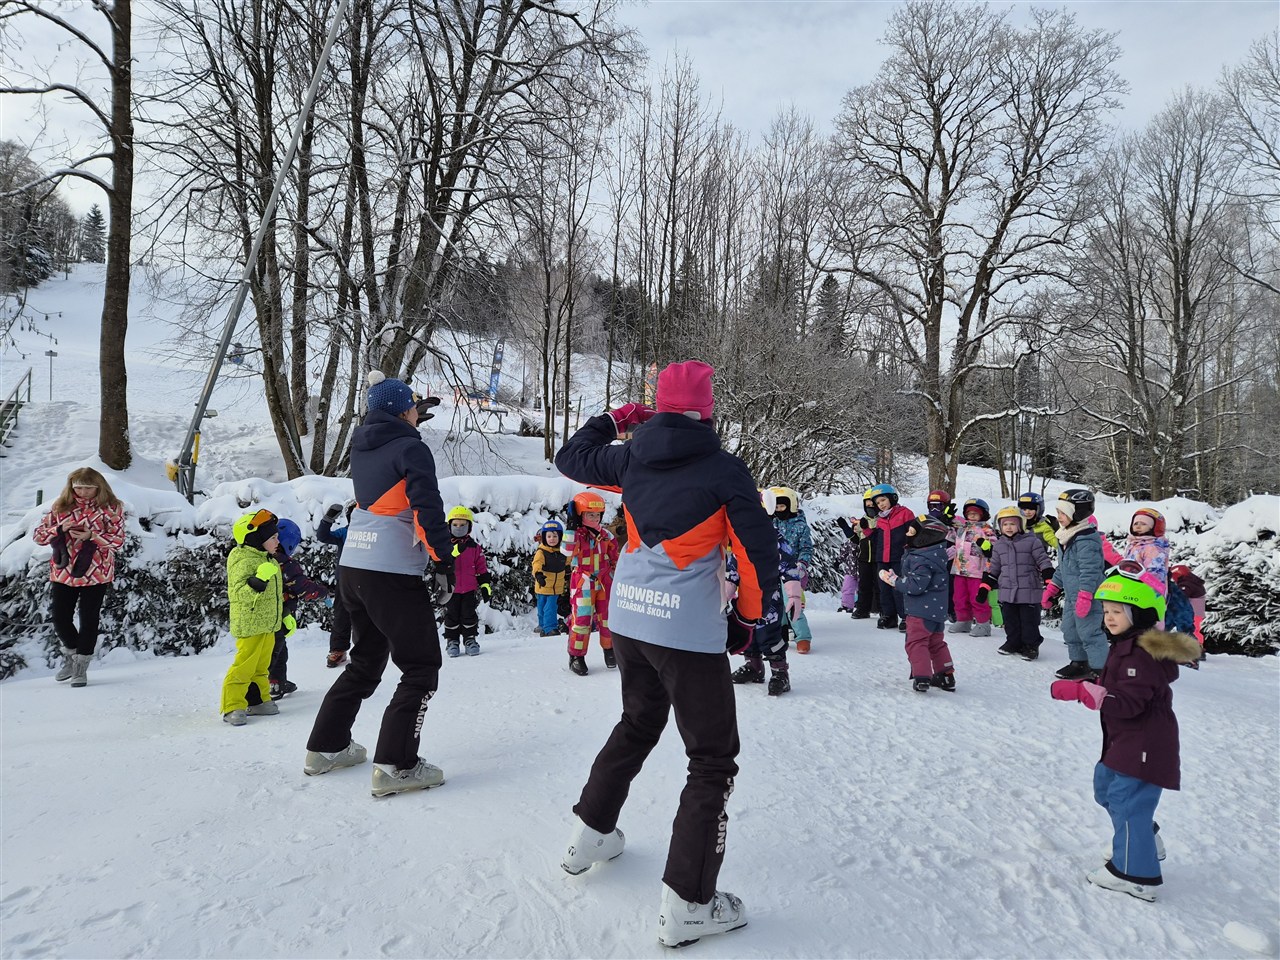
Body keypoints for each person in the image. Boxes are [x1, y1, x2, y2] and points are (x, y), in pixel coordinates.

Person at [554, 359, 778, 948]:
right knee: (711, 759)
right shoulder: (724, 469)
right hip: (687, 632)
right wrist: (747, 618)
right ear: (708, 410)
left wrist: (615, 419)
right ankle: (689, 904)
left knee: (637, 723)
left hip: (629, 617)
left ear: (656, 405)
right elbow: (756, 553)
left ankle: (589, 836)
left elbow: (570, 457)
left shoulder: (630, 457)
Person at [304, 371, 455, 798]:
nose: (417, 413)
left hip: (354, 565)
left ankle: (326, 747)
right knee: (421, 667)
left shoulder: (362, 444)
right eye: (413, 407)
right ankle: (396, 765)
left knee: (367, 661)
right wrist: (443, 561)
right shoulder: (411, 448)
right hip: (391, 571)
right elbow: (426, 507)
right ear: (403, 411)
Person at [1050, 569, 1199, 902]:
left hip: (1145, 742)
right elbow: (1117, 687)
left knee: (1127, 802)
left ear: (1139, 614)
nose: (1109, 617)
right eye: (1107, 611)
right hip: (1126, 740)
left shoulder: (1140, 655)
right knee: (1105, 788)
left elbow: (1128, 702)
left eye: (1118, 611)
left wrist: (1082, 691)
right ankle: (1143, 838)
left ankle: (1135, 874)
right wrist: (1092, 686)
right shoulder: (1125, 645)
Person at [32, 468, 127, 687]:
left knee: (89, 618)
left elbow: (118, 541)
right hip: (64, 571)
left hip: (97, 571)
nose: (83, 492)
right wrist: (59, 528)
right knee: (60, 618)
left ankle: (80, 667)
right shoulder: (61, 506)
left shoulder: (111, 507)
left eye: (88, 488)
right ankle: (73, 655)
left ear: (98, 487)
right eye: (79, 488)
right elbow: (38, 536)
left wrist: (92, 535)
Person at [246, 518, 329, 705]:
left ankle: (275, 681)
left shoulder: (259, 558)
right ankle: (265, 686)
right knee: (275, 651)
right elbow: (303, 588)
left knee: (271, 649)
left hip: (260, 613)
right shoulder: (286, 564)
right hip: (279, 614)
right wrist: (323, 592)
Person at [727, 502, 801, 696]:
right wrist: (725, 593)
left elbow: (789, 566)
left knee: (770, 635)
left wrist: (794, 594)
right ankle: (754, 666)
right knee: (748, 633)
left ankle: (780, 673)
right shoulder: (740, 540)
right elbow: (733, 570)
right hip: (745, 598)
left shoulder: (774, 539)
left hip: (769, 598)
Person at [221, 510, 285, 725]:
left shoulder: (269, 560)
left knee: (261, 668)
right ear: (256, 538)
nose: (277, 542)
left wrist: (283, 616)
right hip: (250, 624)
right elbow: (238, 594)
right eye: (273, 537)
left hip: (267, 624)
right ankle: (232, 706)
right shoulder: (243, 560)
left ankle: (257, 701)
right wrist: (258, 581)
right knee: (244, 667)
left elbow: (274, 596)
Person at [880, 515, 955, 692]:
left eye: (912, 532)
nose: (907, 534)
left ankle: (922, 677)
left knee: (916, 643)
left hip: (920, 612)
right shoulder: (936, 555)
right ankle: (946, 675)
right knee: (936, 643)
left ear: (924, 538)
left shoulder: (921, 560)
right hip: (937, 612)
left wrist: (894, 581)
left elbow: (915, 586)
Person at [1044, 489, 1109, 681]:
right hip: (1073, 597)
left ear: (1077, 514)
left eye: (1063, 513)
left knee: (1090, 632)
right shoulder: (1065, 536)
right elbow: (1063, 568)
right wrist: (1052, 588)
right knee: (1070, 630)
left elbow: (1091, 571)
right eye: (1058, 512)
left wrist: (1086, 595)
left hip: (1088, 596)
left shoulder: (1086, 539)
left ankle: (1101, 669)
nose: (1059, 517)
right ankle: (1079, 662)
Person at [981, 506, 1054, 660]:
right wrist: (985, 587)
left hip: (1029, 589)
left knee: (1029, 622)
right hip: (1007, 591)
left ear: (1021, 524)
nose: (1008, 527)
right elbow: (994, 568)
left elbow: (1043, 560)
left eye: (1012, 524)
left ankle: (1031, 646)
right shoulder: (999, 545)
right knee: (1010, 620)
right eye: (1005, 524)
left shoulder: (1032, 542)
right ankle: (1013, 642)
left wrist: (1049, 578)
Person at [562, 490, 620, 675]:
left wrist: (616, 575)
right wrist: (571, 527)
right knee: (582, 619)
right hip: (584, 581)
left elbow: (615, 557)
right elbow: (566, 551)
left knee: (608, 617)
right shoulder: (577, 535)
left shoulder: (606, 536)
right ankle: (576, 656)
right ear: (580, 515)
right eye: (590, 514)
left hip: (604, 581)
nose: (595, 518)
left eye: (597, 515)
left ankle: (610, 649)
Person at [769, 485, 814, 653]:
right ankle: (780, 635)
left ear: (791, 505)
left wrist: (802, 563)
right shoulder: (771, 523)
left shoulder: (801, 526)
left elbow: (806, 547)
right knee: (776, 603)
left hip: (792, 571)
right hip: (773, 569)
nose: (779, 510)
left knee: (792, 602)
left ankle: (802, 637)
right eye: (776, 506)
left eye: (782, 506)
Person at [442, 505, 491, 657]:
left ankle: (470, 639)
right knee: (452, 615)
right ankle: (452, 641)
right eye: (455, 524)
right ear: (449, 526)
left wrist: (485, 585)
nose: (459, 528)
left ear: (469, 527)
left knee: (468, 614)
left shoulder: (474, 547)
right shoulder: (444, 546)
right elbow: (440, 563)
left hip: (469, 589)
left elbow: (481, 567)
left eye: (463, 525)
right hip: (451, 588)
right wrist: (454, 552)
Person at [868, 483, 916, 632]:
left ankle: (906, 617)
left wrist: (910, 551)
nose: (881, 504)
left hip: (899, 558)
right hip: (883, 558)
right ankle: (889, 616)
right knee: (884, 589)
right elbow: (876, 540)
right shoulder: (879, 520)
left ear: (892, 498)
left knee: (899, 588)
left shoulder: (905, 513)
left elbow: (913, 535)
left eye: (883, 500)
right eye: (878, 503)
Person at [1103, 507, 1171, 600]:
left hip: (1149, 594)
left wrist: (1146, 591)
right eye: (1135, 524)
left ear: (1154, 527)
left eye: (1143, 524)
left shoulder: (1153, 549)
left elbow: (1155, 575)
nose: (1138, 527)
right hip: (1132, 589)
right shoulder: (1134, 544)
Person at [949, 498, 994, 636]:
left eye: (976, 513)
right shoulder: (961, 528)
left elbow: (994, 545)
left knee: (977, 598)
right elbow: (949, 535)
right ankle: (963, 620)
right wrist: (947, 519)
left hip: (977, 571)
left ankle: (983, 623)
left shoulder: (986, 529)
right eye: (969, 513)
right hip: (960, 569)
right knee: (959, 597)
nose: (972, 516)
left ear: (983, 514)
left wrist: (988, 546)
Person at [317, 502, 353, 667]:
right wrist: (328, 519)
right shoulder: (345, 532)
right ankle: (338, 650)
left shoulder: (375, 532)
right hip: (345, 581)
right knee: (341, 616)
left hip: (369, 581)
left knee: (372, 615)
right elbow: (323, 536)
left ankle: (377, 648)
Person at [532, 519, 569, 636]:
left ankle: (550, 628)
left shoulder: (563, 551)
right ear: (544, 538)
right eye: (549, 536)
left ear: (560, 537)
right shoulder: (542, 552)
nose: (552, 539)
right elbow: (536, 564)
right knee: (541, 607)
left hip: (556, 587)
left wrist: (569, 571)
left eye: (555, 536)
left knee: (550, 607)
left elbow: (569, 562)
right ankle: (542, 625)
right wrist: (538, 575)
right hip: (543, 583)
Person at [1169, 564, 1206, 647]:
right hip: (1197, 611)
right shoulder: (1193, 582)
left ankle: (1197, 647)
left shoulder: (1186, 584)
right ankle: (1198, 646)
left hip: (1193, 612)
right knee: (1195, 630)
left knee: (1193, 630)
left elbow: (1181, 596)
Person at [1018, 492, 1059, 556]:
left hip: (1039, 559)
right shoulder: (1017, 525)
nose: (1027, 512)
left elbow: (1057, 544)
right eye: (1024, 509)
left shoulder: (1044, 527)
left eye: (1031, 509)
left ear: (1038, 510)